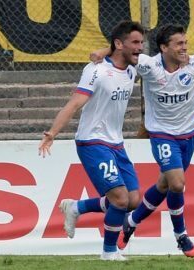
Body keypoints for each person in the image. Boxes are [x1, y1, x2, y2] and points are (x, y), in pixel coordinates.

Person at [91, 12, 194, 257]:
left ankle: (131, 223)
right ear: (164, 47)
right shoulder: (148, 65)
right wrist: (104, 51)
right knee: (177, 183)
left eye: (185, 43)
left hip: (189, 135)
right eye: (179, 44)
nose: (184, 48)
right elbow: (123, 52)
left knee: (165, 185)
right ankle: (182, 237)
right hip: (162, 135)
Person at [38, 20, 145, 261]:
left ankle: (77, 207)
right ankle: (109, 253)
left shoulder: (132, 68)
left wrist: (108, 48)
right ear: (119, 44)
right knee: (119, 198)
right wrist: (53, 132)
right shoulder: (95, 70)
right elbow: (74, 103)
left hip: (116, 142)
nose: (140, 48)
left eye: (141, 43)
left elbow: (132, 53)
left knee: (133, 200)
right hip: (92, 141)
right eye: (135, 43)